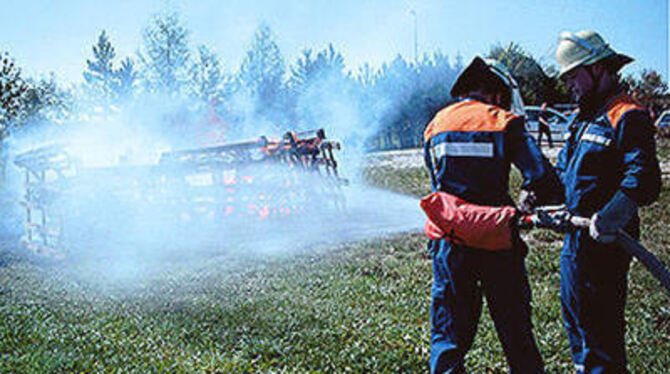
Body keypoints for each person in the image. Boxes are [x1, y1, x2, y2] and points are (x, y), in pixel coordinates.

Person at [423, 56, 561, 373]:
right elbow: (543, 179)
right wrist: (529, 199)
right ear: (497, 92)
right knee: (516, 334)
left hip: (451, 243)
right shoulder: (503, 121)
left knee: (448, 338)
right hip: (498, 242)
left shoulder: (435, 125)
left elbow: (437, 188)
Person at [552, 30, 662, 373]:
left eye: (573, 76)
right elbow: (563, 172)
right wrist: (537, 192)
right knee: (578, 329)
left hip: (606, 246)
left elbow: (643, 178)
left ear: (598, 69)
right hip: (575, 242)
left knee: (601, 338)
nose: (570, 84)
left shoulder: (626, 114)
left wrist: (613, 215)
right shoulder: (581, 118)